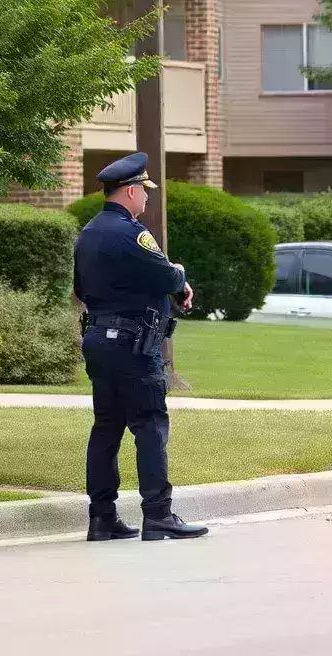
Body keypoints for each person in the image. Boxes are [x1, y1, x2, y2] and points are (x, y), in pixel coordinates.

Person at [74, 152, 208, 542]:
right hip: (134, 343)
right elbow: (167, 274)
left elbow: (82, 290)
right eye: (144, 192)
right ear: (130, 191)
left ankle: (102, 519)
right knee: (149, 426)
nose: (147, 199)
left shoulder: (88, 234)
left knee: (106, 428)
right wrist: (180, 278)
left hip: (98, 339)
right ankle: (159, 515)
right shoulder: (133, 234)